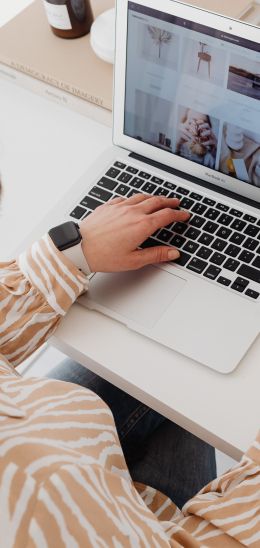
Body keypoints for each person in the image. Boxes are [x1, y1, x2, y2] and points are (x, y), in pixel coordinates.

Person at [0, 181, 259, 546]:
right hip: (132, 523)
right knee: (186, 373)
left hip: (57, 437)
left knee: (170, 357)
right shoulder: (37, 500)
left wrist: (74, 252)